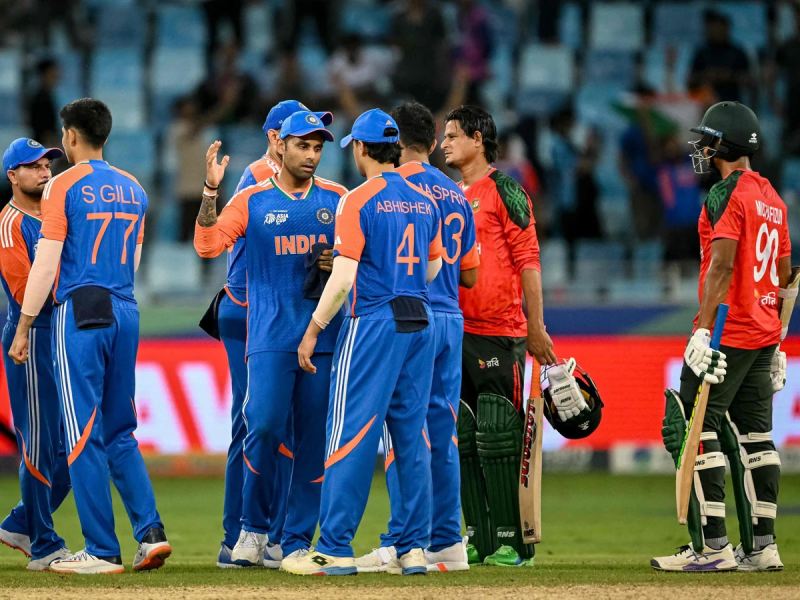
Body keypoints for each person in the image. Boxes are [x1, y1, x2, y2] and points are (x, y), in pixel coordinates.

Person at [8, 98, 171, 575]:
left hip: (81, 309)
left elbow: (46, 264)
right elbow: (134, 258)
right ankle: (151, 534)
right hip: (126, 308)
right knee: (121, 430)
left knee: (82, 431)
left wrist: (24, 326)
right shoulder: (134, 187)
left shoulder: (62, 185)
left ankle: (101, 549)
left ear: (71, 136)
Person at [284, 108, 443, 576]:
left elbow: (342, 279)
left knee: (350, 433)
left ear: (359, 147)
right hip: (420, 319)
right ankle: (412, 549)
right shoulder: (425, 200)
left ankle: (334, 547)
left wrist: (313, 329)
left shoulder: (357, 200)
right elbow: (434, 268)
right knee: (411, 437)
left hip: (374, 320)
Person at [194, 111, 347, 568]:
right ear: (280, 146)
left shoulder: (339, 199)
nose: (311, 155)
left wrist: (340, 261)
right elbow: (206, 245)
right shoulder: (252, 199)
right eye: (303, 145)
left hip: (322, 336)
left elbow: (362, 260)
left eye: (318, 148)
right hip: (268, 337)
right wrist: (210, 191)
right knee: (261, 428)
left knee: (311, 441)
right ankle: (253, 530)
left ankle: (295, 540)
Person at [652, 101, 790, 572]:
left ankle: (713, 547)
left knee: (697, 426)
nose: (702, 148)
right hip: (764, 332)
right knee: (757, 438)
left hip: (728, 330)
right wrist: (779, 338)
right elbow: (786, 277)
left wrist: (704, 329)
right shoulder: (773, 198)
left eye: (708, 140)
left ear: (725, 144)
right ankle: (763, 547)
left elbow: (722, 266)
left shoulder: (725, 194)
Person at [443, 105, 571, 568]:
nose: (444, 144)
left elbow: (529, 260)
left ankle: (515, 543)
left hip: (501, 332)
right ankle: (479, 536)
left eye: (453, 135)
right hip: (458, 331)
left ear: (478, 139)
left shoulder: (506, 190)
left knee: (500, 435)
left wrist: (536, 326)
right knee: (466, 437)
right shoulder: (450, 195)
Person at [354, 101, 479, 573]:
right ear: (431, 142)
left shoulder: (392, 189)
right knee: (443, 436)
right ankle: (447, 541)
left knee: (405, 433)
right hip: (450, 317)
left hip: (409, 317)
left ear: (395, 142)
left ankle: (401, 541)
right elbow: (470, 273)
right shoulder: (456, 194)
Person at [0, 138, 72, 571]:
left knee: (77, 445)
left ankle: (20, 524)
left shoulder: (56, 214)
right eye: (33, 166)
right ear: (13, 175)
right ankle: (43, 544)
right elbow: (25, 290)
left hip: (63, 334)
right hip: (32, 337)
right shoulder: (10, 223)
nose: (44, 172)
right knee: (40, 442)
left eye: (47, 165)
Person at [688, 10, 751, 103]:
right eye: (716, 28)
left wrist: (729, 76)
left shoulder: (738, 52)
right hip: (707, 104)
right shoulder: (702, 53)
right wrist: (707, 76)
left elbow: (749, 80)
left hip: (733, 103)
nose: (718, 31)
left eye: (721, 28)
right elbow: (690, 81)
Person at [28, 59, 60, 149]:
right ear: (43, 75)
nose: (56, 78)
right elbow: (43, 130)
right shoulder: (40, 99)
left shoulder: (48, 96)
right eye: (52, 74)